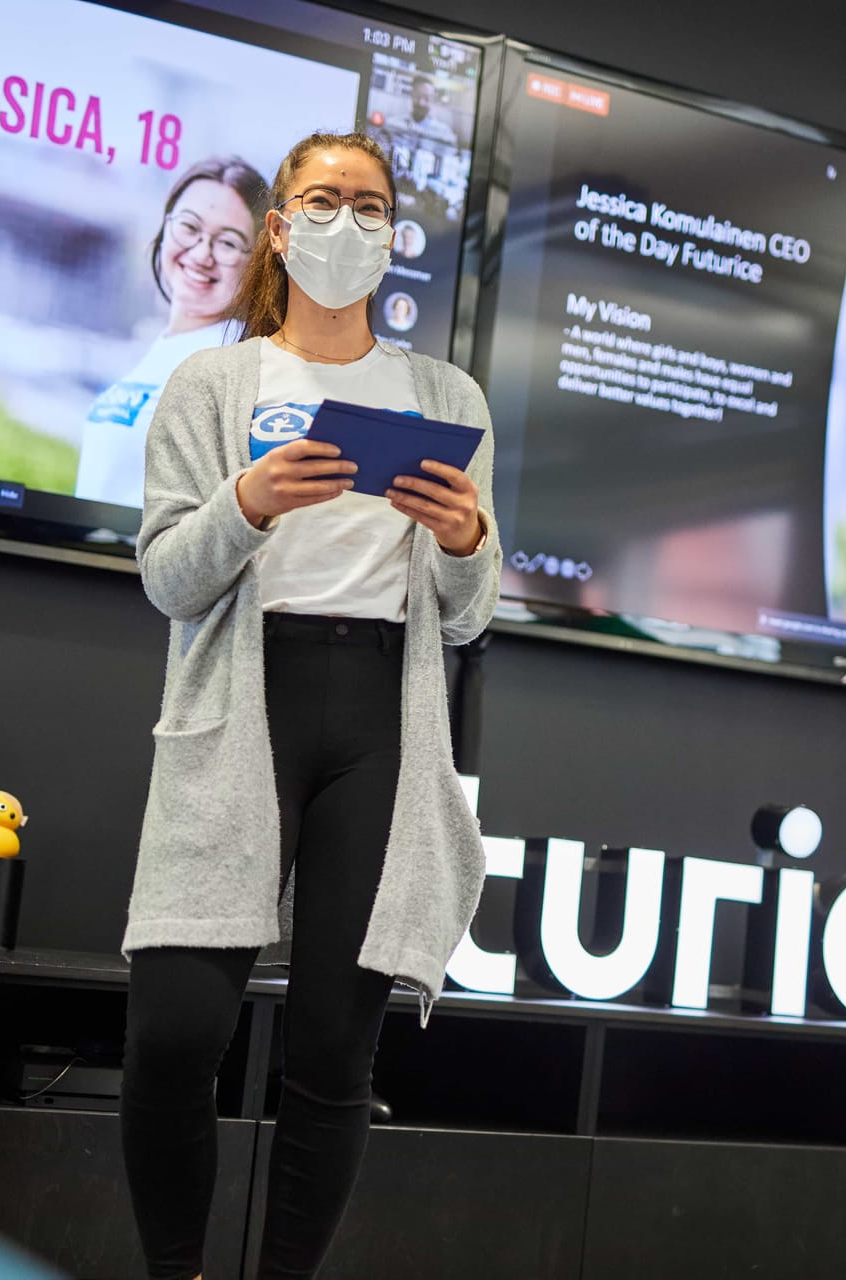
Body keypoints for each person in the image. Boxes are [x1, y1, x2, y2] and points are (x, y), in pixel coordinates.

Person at [118, 130, 499, 1280]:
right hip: (243, 706)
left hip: (381, 713)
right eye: (322, 200)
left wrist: (469, 538)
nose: (346, 221)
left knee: (335, 1050)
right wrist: (245, 501)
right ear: (280, 225)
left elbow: (468, 615)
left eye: (369, 204)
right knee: (175, 1033)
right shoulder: (215, 382)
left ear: (395, 234)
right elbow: (167, 578)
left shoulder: (445, 394)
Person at [74, 156, 271, 508]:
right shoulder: (161, 348)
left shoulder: (238, 367)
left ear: (256, 263)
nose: (201, 254)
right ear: (165, 228)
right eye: (189, 227)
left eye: (227, 243)